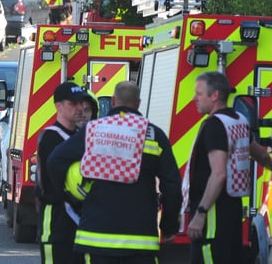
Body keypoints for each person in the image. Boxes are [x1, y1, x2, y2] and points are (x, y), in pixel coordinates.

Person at [48, 81, 182, 264]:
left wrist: (74, 197)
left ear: (113, 101)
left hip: (96, 236)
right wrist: (168, 226)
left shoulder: (93, 130)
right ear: (138, 103)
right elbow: (172, 184)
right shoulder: (154, 135)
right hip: (140, 240)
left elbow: (55, 161)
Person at [185, 71, 272, 264]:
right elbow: (260, 153)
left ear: (214, 96)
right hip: (231, 211)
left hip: (212, 213)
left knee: (207, 257)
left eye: (199, 94)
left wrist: (200, 213)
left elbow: (219, 174)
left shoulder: (214, 125)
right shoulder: (237, 120)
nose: (194, 98)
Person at [37, 81, 87, 264]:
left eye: (81, 103)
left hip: (78, 221)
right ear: (59, 106)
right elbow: (50, 183)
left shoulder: (80, 136)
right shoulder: (51, 137)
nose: (80, 108)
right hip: (56, 220)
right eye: (73, 103)